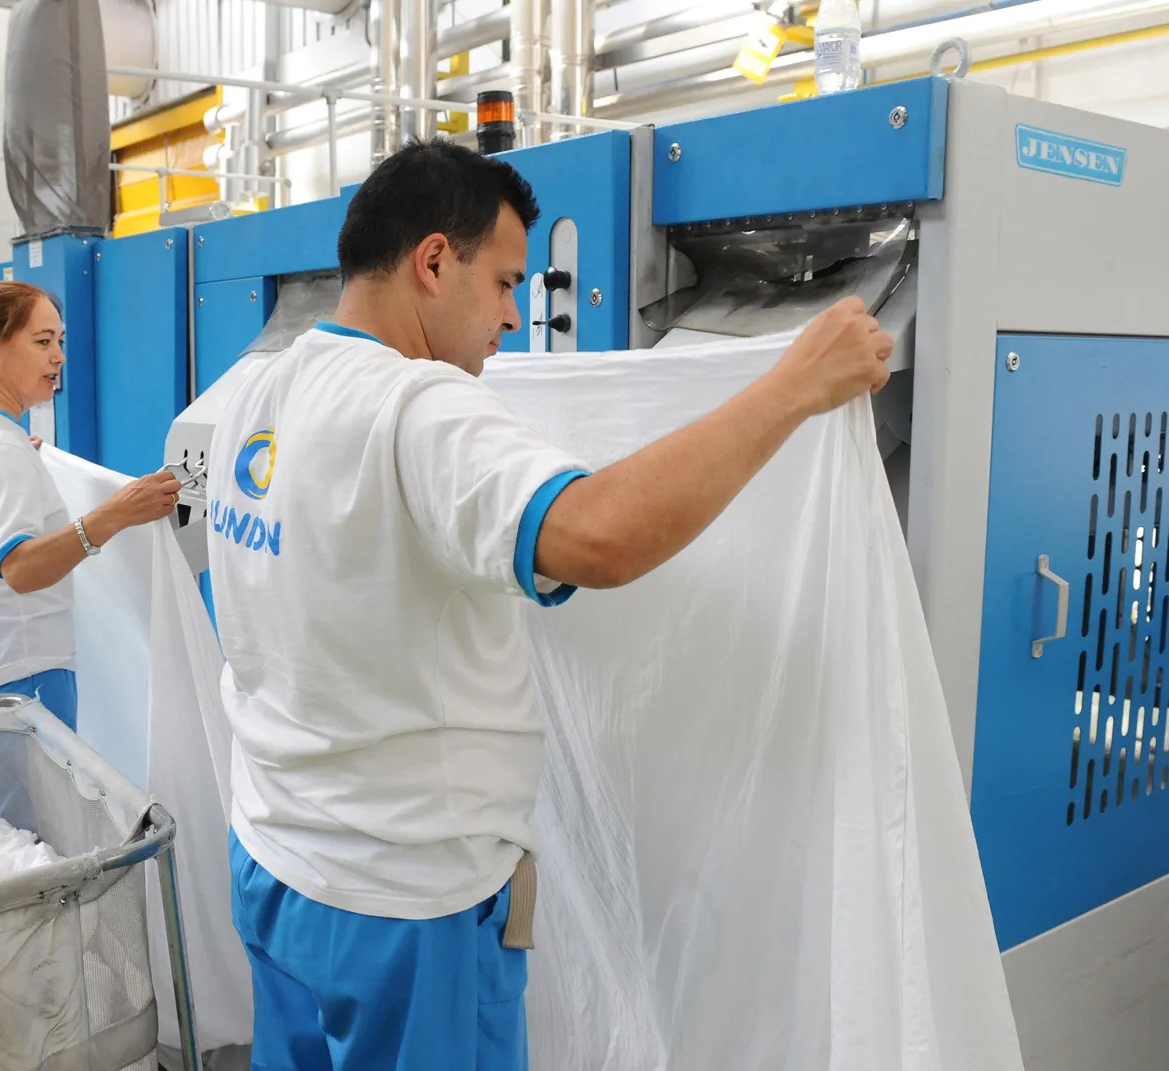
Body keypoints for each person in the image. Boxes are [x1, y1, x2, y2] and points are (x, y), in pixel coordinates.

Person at [206, 139, 893, 1071]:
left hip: (275, 861)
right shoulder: (424, 409)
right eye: (502, 283)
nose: (513, 317)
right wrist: (793, 386)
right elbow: (598, 535)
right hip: (405, 906)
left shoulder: (255, 387)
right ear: (433, 261)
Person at [0, 280, 181, 824]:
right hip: (19, 678)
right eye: (41, 341)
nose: (58, 357)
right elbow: (22, 568)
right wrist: (116, 512)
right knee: (25, 854)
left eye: (60, 340)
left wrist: (24, 467)